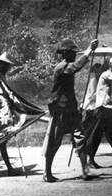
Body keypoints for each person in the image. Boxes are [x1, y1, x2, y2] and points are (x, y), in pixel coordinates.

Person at [41, 38, 98, 183]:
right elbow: (76, 67)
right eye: (72, 53)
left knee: (81, 139)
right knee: (54, 142)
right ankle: (47, 173)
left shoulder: (67, 66)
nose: (74, 55)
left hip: (71, 110)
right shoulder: (61, 67)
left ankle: (85, 171)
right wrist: (89, 50)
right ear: (65, 53)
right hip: (60, 111)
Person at [81, 60, 107, 168]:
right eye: (99, 70)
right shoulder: (93, 79)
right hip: (91, 109)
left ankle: (90, 159)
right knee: (93, 134)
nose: (101, 72)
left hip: (92, 108)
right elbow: (92, 95)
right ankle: (90, 160)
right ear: (95, 70)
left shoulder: (95, 78)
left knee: (94, 134)